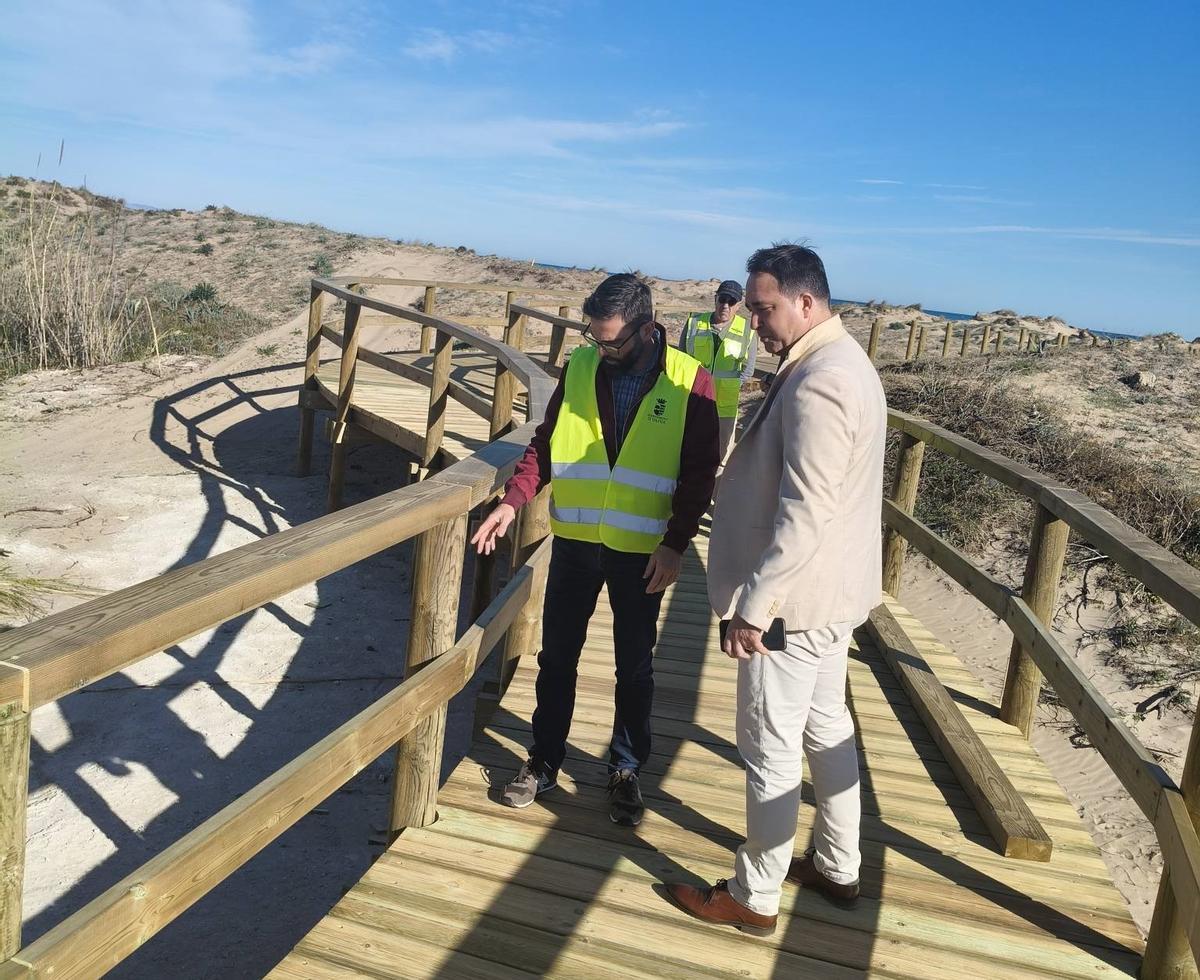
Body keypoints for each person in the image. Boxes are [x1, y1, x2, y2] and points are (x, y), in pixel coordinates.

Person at [665, 244, 887, 935]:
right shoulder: (842, 363)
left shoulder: (823, 379)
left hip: (792, 605)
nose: (754, 322)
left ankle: (754, 893)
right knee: (827, 729)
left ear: (806, 302)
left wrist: (754, 608)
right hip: (830, 598)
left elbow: (806, 509)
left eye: (763, 308)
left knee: (769, 747)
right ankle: (838, 866)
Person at [471, 273, 720, 827]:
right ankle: (543, 759)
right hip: (577, 543)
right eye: (594, 337)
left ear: (647, 328)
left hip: (642, 551)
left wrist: (677, 543)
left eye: (613, 341)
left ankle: (625, 770)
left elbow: (701, 472)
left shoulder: (689, 380)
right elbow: (547, 444)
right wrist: (513, 501)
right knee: (557, 658)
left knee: (634, 669)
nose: (602, 350)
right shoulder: (582, 366)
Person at [678, 279, 756, 462]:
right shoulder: (694, 323)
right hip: (694, 399)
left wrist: (730, 385)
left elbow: (748, 368)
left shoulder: (748, 330)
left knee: (720, 455)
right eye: (723, 299)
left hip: (725, 405)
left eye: (732, 302)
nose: (726, 306)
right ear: (715, 299)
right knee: (688, 448)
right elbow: (682, 359)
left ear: (738, 305)